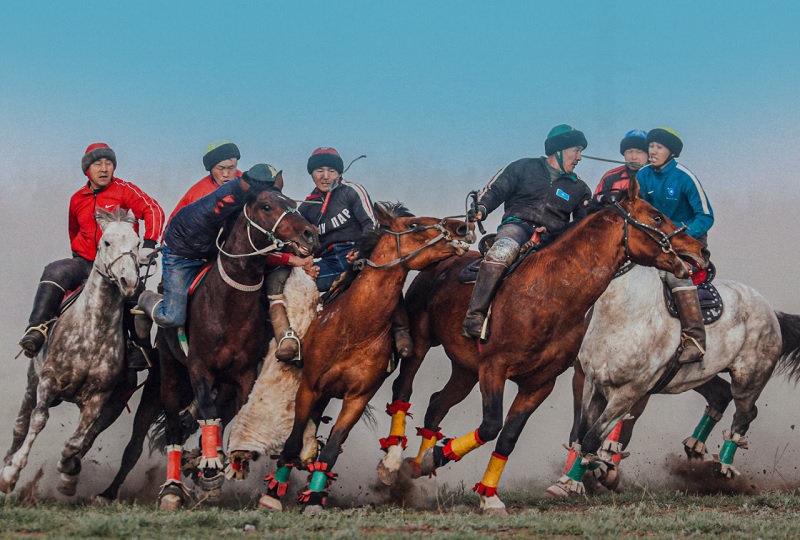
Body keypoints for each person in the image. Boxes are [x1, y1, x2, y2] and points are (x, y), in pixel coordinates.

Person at [18, 143, 165, 370]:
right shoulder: (77, 199)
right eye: (98, 164)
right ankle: (37, 329)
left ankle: (139, 347)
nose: (104, 169)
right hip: (87, 262)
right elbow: (74, 231)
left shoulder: (125, 190)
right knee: (55, 271)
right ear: (87, 170)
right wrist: (79, 254)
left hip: (119, 265)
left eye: (109, 164)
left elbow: (153, 209)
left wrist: (149, 244)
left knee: (136, 293)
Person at [135, 164, 298, 346]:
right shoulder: (225, 201)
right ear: (248, 187)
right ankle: (146, 300)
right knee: (172, 317)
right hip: (182, 253)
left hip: (212, 247)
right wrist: (289, 259)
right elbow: (243, 251)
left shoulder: (245, 193)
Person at [463, 125, 592, 339]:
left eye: (580, 152)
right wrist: (481, 209)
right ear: (558, 150)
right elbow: (495, 191)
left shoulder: (580, 188)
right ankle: (474, 317)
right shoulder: (523, 167)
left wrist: (560, 228)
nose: (579, 157)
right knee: (501, 253)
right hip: (517, 227)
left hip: (554, 241)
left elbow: (582, 227)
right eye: (576, 151)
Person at [297, 147, 413, 357]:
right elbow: (300, 243)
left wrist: (361, 249)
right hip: (329, 262)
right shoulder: (306, 207)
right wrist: (304, 262)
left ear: (339, 173)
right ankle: (297, 339)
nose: (325, 176)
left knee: (386, 277)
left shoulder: (351, 191)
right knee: (295, 283)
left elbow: (370, 222)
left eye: (331, 170)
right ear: (311, 173)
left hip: (358, 254)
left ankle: (401, 330)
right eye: (319, 170)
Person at [637, 127, 713, 363]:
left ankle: (694, 339)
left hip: (687, 244)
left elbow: (706, 216)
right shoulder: (642, 175)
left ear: (671, 152)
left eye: (659, 147)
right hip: (655, 242)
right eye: (650, 147)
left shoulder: (685, 177)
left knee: (676, 276)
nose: (653, 151)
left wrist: (679, 234)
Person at [166, 141, 243, 223]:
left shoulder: (250, 187)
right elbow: (173, 226)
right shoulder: (196, 195)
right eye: (220, 168)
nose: (226, 174)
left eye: (231, 167)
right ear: (211, 169)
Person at [594, 129, 650, 197]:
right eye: (629, 151)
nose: (634, 157)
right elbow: (595, 203)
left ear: (649, 154)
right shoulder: (610, 177)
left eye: (639, 152)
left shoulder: (658, 178)